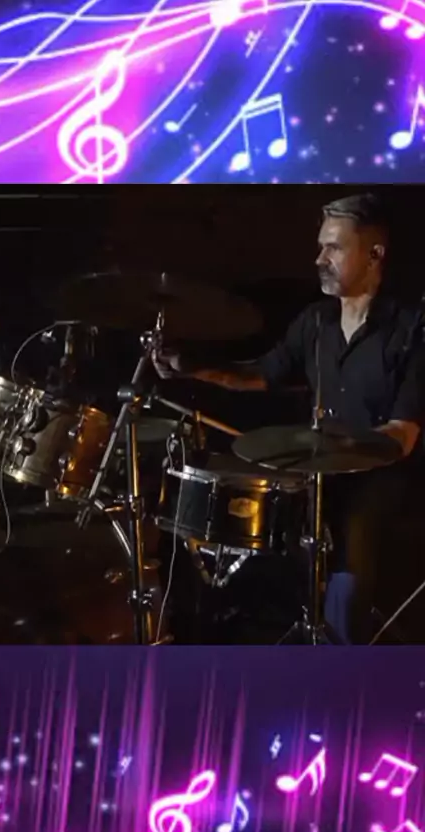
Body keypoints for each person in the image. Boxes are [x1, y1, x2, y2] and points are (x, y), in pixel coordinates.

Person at [153, 193, 425, 644]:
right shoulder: (315, 322)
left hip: (392, 476)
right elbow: (262, 375)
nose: (320, 259)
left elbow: (403, 434)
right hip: (326, 469)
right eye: (320, 247)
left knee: (353, 524)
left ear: (374, 254)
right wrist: (193, 367)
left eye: (333, 248)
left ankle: (345, 651)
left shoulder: (412, 328)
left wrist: (342, 451)